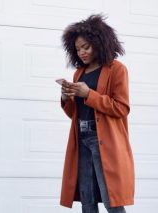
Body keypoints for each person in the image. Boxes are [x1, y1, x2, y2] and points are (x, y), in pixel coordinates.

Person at [59, 14, 134, 213]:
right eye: (77, 49)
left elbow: (121, 108)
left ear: (99, 43)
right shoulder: (79, 73)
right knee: (87, 198)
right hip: (81, 137)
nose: (82, 52)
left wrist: (89, 94)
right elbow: (75, 113)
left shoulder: (116, 69)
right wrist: (66, 97)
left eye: (86, 47)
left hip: (105, 140)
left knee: (112, 200)